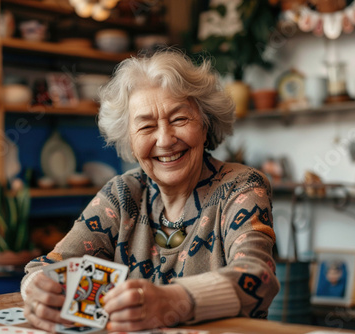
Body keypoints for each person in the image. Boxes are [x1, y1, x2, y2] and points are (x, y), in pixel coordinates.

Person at [21, 49, 279, 332]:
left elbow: (258, 277)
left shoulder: (240, 186)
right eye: (146, 126)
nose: (165, 140)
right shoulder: (122, 195)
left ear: (205, 125)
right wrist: (39, 292)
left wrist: (173, 301)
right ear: (129, 142)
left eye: (179, 119)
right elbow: (47, 267)